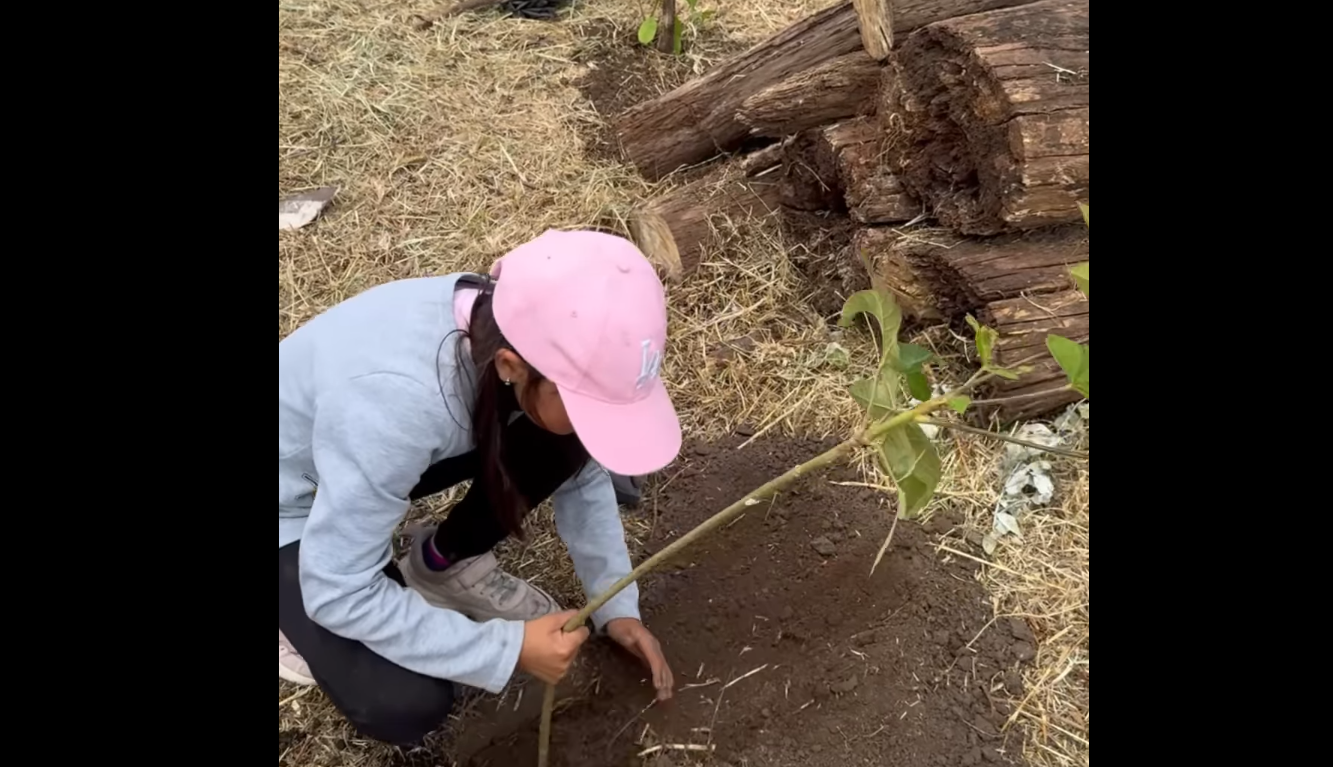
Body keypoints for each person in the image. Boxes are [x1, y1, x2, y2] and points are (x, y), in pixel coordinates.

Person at [278, 230, 680, 745]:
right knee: (404, 703)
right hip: (291, 502)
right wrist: (507, 648)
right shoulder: (399, 399)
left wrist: (617, 608)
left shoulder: (510, 327)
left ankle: (439, 565)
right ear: (512, 366)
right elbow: (339, 592)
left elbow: (580, 472)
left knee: (559, 440)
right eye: (585, 405)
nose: (591, 427)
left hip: (349, 455)